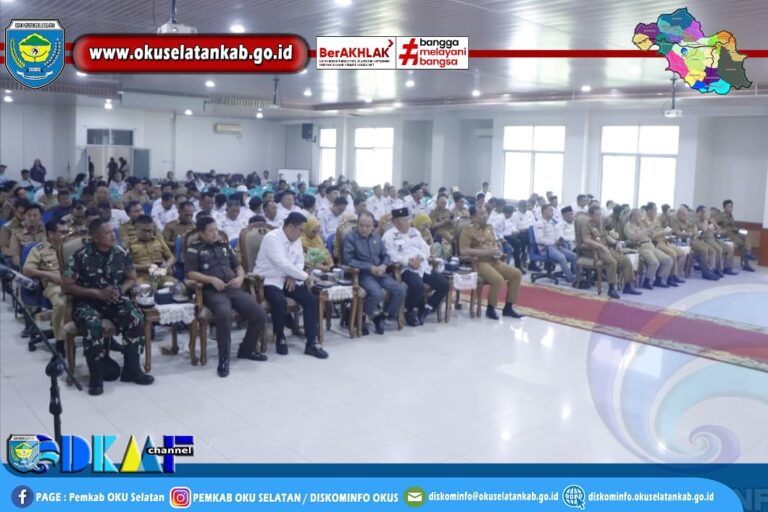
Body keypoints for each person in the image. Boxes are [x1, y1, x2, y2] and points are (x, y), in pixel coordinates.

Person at [62, 219, 154, 395]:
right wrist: (96, 293)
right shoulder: (80, 256)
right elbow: (67, 286)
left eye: (113, 232)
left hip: (115, 299)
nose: (113, 236)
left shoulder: (121, 252)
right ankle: (96, 377)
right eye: (108, 233)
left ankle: (132, 370)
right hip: (87, 301)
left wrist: (120, 290)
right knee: (92, 324)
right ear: (95, 237)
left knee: (135, 318)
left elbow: (131, 278)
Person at [185, 216, 268, 377]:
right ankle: (224, 358)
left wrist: (240, 277)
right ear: (201, 233)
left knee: (259, 313)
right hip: (212, 291)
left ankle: (247, 349)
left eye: (216, 230)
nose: (215, 233)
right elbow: (190, 273)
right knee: (224, 315)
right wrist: (211, 280)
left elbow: (238, 266)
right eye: (210, 231)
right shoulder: (194, 249)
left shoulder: (224, 246)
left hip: (233, 288)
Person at [253, 212, 328, 359]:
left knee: (310, 300)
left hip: (288, 278)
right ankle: (280, 336)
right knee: (279, 301)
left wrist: (294, 275)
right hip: (268, 280)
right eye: (300, 230)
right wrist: (304, 276)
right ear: (291, 226)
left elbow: (299, 261)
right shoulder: (272, 238)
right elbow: (281, 263)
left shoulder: (296, 238)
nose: (302, 233)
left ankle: (311, 343)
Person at [382, 208, 449, 326]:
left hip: (422, 265)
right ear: (396, 222)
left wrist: (419, 258)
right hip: (405, 269)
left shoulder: (414, 232)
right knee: (418, 286)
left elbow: (425, 248)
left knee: (444, 284)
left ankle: (427, 309)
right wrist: (408, 262)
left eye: (408, 219)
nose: (408, 222)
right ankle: (408, 311)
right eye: (404, 220)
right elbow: (390, 254)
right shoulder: (389, 236)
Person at [343, 211, 406, 335]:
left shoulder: (376, 237)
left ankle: (382, 316)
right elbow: (349, 260)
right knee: (376, 294)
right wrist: (370, 268)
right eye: (362, 225)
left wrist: (384, 265)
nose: (364, 229)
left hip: (380, 273)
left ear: (372, 226)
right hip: (362, 274)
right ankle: (360, 315)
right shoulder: (350, 238)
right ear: (357, 224)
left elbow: (386, 256)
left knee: (400, 290)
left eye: (368, 226)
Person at [460, 206, 524, 319]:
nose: (485, 216)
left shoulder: (489, 228)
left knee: (516, 274)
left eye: (485, 213)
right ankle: (490, 308)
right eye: (481, 213)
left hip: (494, 260)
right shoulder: (468, 230)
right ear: (473, 217)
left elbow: (494, 244)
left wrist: (498, 252)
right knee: (498, 279)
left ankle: (508, 308)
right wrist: (486, 252)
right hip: (479, 262)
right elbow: (463, 250)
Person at [22, 220, 69, 357]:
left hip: (75, 282)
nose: (67, 235)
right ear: (51, 234)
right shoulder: (39, 249)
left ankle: (105, 340)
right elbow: (27, 270)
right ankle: (60, 342)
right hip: (54, 285)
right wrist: (49, 275)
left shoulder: (71, 246)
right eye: (63, 232)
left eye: (67, 231)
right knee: (61, 303)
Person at [579, 205, 642, 299]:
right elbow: (586, 240)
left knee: (626, 260)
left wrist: (616, 243)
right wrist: (601, 246)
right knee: (612, 262)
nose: (600, 216)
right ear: (591, 215)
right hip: (594, 251)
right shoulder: (586, 225)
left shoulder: (599, 224)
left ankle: (628, 286)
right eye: (597, 215)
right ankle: (611, 288)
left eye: (600, 214)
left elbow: (607, 237)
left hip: (606, 249)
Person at [623, 208, 672, 289]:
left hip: (651, 245)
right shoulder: (628, 226)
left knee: (668, 260)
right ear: (633, 216)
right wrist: (644, 231)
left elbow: (652, 235)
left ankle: (658, 280)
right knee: (654, 262)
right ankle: (647, 282)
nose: (641, 218)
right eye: (639, 216)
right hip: (641, 247)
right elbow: (633, 237)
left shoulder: (641, 225)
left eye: (641, 215)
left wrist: (649, 227)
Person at [668, 206, 718, 280]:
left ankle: (710, 270)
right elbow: (677, 232)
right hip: (684, 240)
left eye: (686, 215)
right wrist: (688, 233)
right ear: (679, 214)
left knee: (711, 250)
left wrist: (693, 231)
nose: (685, 217)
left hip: (694, 238)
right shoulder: (674, 220)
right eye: (683, 215)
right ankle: (705, 272)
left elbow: (695, 229)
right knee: (704, 250)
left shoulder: (688, 220)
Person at [128, 216, 176, 286]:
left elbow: (171, 257)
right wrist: (143, 267)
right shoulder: (129, 243)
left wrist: (167, 265)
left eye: (150, 231)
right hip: (142, 276)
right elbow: (126, 265)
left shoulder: (158, 240)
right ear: (136, 229)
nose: (147, 234)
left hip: (161, 274)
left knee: (179, 287)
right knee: (145, 289)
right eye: (144, 231)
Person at [645, 203, 686, 285]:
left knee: (682, 253)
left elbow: (660, 230)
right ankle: (668, 277)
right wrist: (664, 232)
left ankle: (675, 274)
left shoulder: (655, 220)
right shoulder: (645, 221)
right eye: (654, 210)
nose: (656, 212)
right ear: (649, 211)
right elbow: (652, 235)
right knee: (673, 254)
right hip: (656, 243)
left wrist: (666, 233)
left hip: (664, 241)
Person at [534, 204, 577, 283]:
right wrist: (554, 242)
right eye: (550, 210)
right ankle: (571, 278)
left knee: (574, 256)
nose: (552, 212)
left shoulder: (552, 222)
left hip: (556, 245)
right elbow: (539, 240)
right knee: (562, 257)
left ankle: (577, 275)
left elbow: (555, 235)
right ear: (544, 211)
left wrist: (558, 240)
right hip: (546, 248)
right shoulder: (539, 224)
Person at [694, 205, 737, 277]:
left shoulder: (709, 220)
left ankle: (727, 268)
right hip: (705, 240)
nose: (707, 214)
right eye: (706, 212)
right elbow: (703, 230)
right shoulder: (697, 220)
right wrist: (706, 220)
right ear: (700, 213)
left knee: (729, 248)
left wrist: (715, 228)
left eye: (707, 212)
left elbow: (716, 230)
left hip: (714, 238)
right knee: (718, 249)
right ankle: (716, 269)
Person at [717, 200, 756, 271]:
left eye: (732, 207)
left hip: (734, 233)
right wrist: (718, 228)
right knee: (743, 244)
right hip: (727, 235)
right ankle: (746, 261)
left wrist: (736, 229)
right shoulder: (721, 216)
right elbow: (712, 221)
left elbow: (731, 225)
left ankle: (748, 253)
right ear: (724, 208)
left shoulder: (731, 216)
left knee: (747, 233)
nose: (731, 208)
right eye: (729, 207)